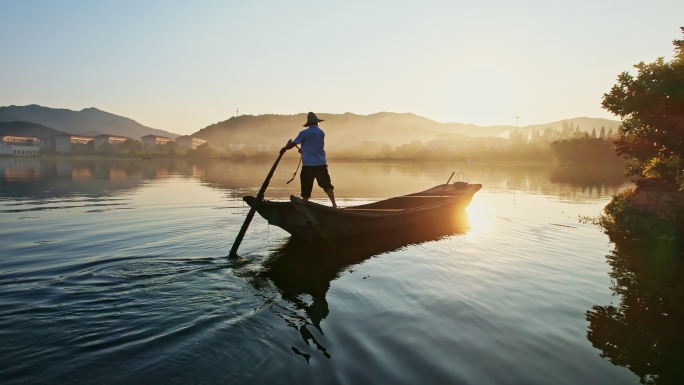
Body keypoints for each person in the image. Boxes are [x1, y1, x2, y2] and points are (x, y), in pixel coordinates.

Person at [280, 112, 337, 208]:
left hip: (308, 166)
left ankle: (305, 207)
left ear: (309, 123)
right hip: (321, 164)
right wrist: (304, 151)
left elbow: (293, 144)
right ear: (317, 122)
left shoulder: (304, 133)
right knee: (327, 185)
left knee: (306, 187)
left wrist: (284, 148)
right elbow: (315, 146)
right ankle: (334, 204)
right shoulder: (321, 132)